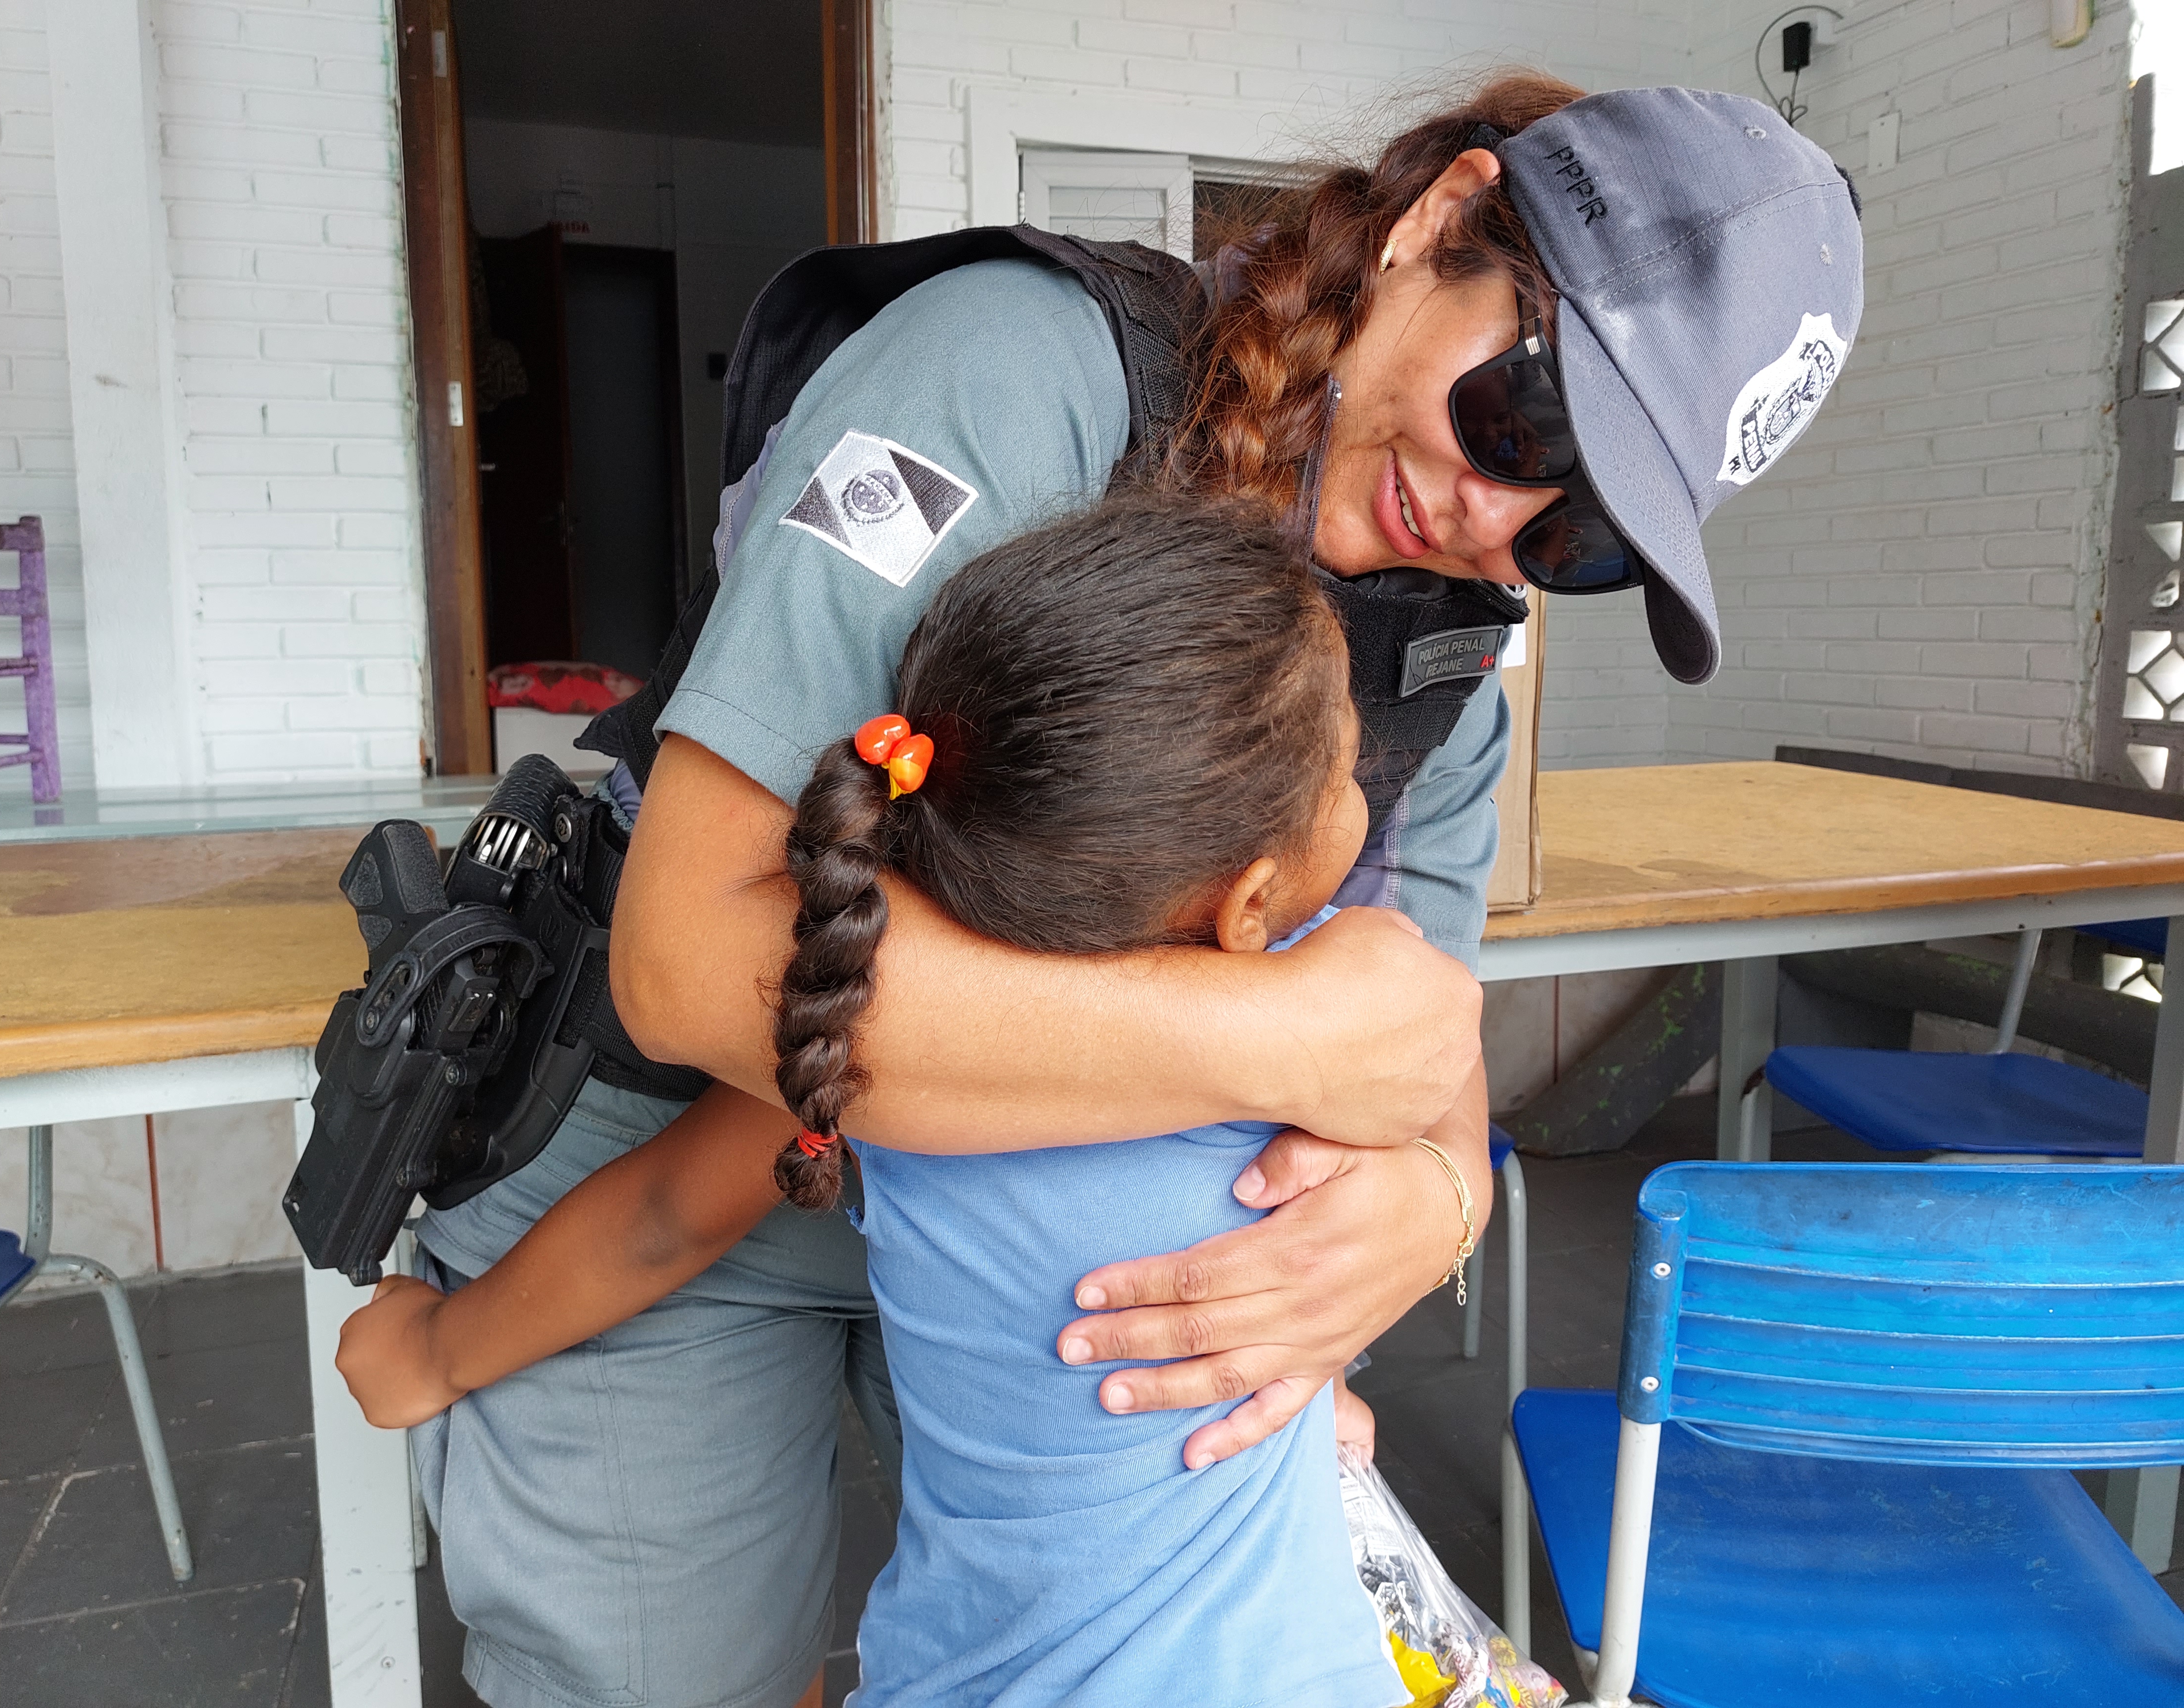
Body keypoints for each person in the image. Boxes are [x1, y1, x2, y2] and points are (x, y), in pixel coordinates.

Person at [379, 74, 1863, 1708]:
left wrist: (1423, 1211)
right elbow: (686, 961)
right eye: (1529, 423)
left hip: (1058, 1262)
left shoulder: (1447, 659)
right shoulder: (1012, 371)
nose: (1491, 516)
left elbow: (1410, 1044)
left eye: (1580, 533)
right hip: (688, 1127)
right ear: (1442, 220)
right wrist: (1275, 1039)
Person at [344, 495, 1414, 1702]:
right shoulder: (1332, 1030)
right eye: (1347, 767)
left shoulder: (877, 1048)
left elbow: (663, 1217)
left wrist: (432, 1351)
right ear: (1250, 902)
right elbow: (1408, 1083)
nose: (1364, 784)